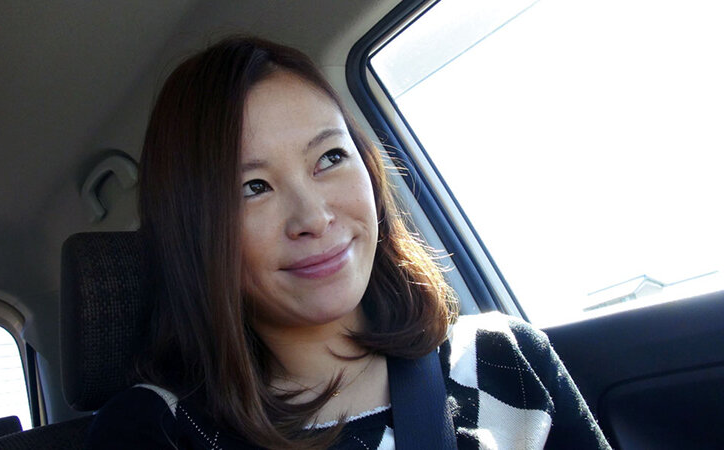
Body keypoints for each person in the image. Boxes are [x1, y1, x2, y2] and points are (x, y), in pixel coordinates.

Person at [86, 36, 610, 449]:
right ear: (192, 231)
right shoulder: (159, 431)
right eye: (252, 188)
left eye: (330, 158)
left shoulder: (502, 356)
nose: (314, 217)